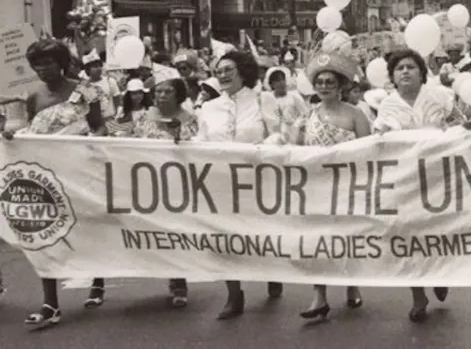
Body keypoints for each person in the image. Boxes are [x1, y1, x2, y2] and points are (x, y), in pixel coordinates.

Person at [5, 39, 105, 327]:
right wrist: (14, 137)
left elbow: (100, 125)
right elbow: (28, 129)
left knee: (88, 227)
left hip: (79, 170)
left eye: (46, 63)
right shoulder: (32, 96)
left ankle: (98, 280)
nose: (41, 70)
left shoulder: (86, 89)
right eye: (36, 64)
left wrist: (89, 141)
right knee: (42, 232)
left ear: (61, 63)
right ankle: (50, 303)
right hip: (45, 175)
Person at [86, 76, 197, 309]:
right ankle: (97, 283)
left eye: (168, 92)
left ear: (178, 96)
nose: (162, 95)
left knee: (172, 236)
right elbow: (119, 132)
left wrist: (179, 137)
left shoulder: (190, 119)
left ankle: (178, 283)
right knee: (117, 230)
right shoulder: (145, 117)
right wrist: (98, 134)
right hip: (141, 186)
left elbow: (196, 148)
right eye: (158, 91)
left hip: (173, 189)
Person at [372, 48, 464, 322]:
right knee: (409, 237)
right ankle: (418, 295)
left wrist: (458, 128)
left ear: (421, 72)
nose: (405, 72)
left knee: (438, 232)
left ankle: (439, 273)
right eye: (399, 68)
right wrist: (380, 136)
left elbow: (459, 120)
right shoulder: (387, 105)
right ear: (393, 77)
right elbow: (378, 136)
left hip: (437, 177)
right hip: (405, 181)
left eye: (411, 67)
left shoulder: (438, 96)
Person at [197, 50, 284, 320]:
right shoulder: (209, 108)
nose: (222, 75)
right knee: (224, 237)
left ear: (243, 72)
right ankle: (234, 294)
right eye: (218, 71)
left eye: (228, 70)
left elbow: (279, 134)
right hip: (221, 183)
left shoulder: (262, 100)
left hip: (257, 181)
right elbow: (201, 141)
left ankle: (272, 271)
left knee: (260, 234)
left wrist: (258, 149)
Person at [290, 53, 370, 321]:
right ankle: (319, 296)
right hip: (316, 189)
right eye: (320, 82)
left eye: (330, 82)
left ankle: (352, 284)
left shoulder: (356, 114)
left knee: (347, 239)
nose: (324, 86)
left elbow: (368, 152)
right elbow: (294, 152)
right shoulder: (307, 117)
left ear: (340, 86)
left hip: (347, 188)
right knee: (317, 242)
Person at [260, 66, 308, 144]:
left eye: (283, 79)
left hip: (293, 134)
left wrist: (295, 124)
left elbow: (305, 114)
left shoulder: (294, 96)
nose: (281, 82)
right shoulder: (268, 99)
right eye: (277, 80)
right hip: (274, 137)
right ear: (272, 84)